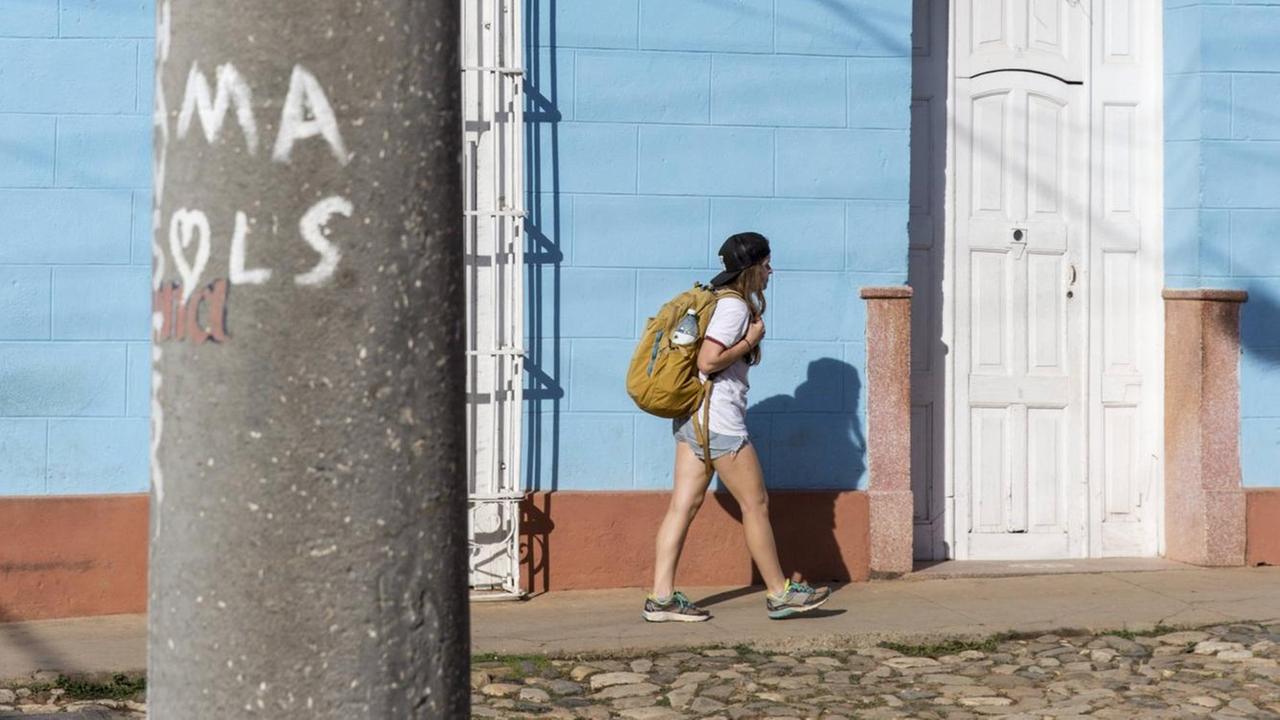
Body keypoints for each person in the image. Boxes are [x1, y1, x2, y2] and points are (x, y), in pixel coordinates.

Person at [643, 232, 831, 622]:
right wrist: (749, 340)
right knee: (756, 503)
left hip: (693, 419)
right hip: (720, 421)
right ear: (750, 268)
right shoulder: (733, 308)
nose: (770, 271)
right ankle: (780, 593)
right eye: (765, 265)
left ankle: (661, 598)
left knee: (683, 504)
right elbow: (709, 361)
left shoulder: (717, 301)